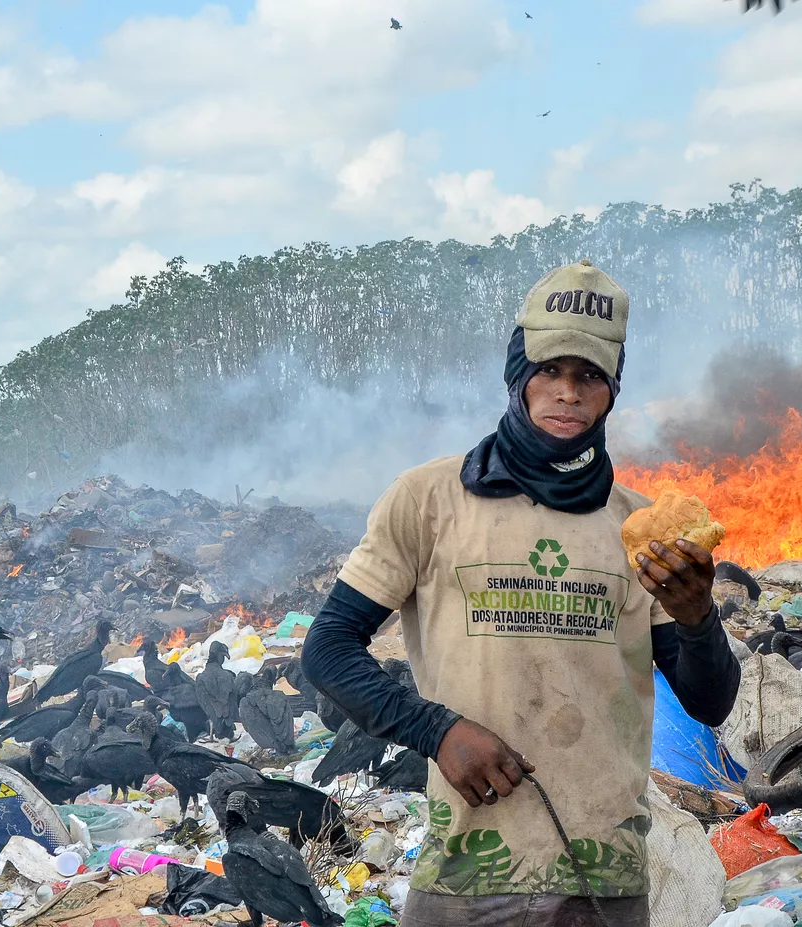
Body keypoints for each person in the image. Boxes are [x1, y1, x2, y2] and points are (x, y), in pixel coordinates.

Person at [303, 260, 741, 927]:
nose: (568, 392)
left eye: (590, 375)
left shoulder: (639, 527)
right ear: (517, 373)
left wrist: (697, 617)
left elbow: (710, 701)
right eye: (550, 370)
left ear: (612, 388)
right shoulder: (429, 500)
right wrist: (437, 729)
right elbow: (328, 647)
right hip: (465, 874)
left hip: (601, 882)